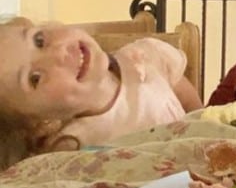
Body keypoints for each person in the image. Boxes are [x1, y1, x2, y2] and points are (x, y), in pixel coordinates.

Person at [0, 17, 202, 167]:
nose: (58, 54)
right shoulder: (67, 151)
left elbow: (194, 108)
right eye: (35, 78)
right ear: (37, 123)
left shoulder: (146, 57)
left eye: (39, 40)